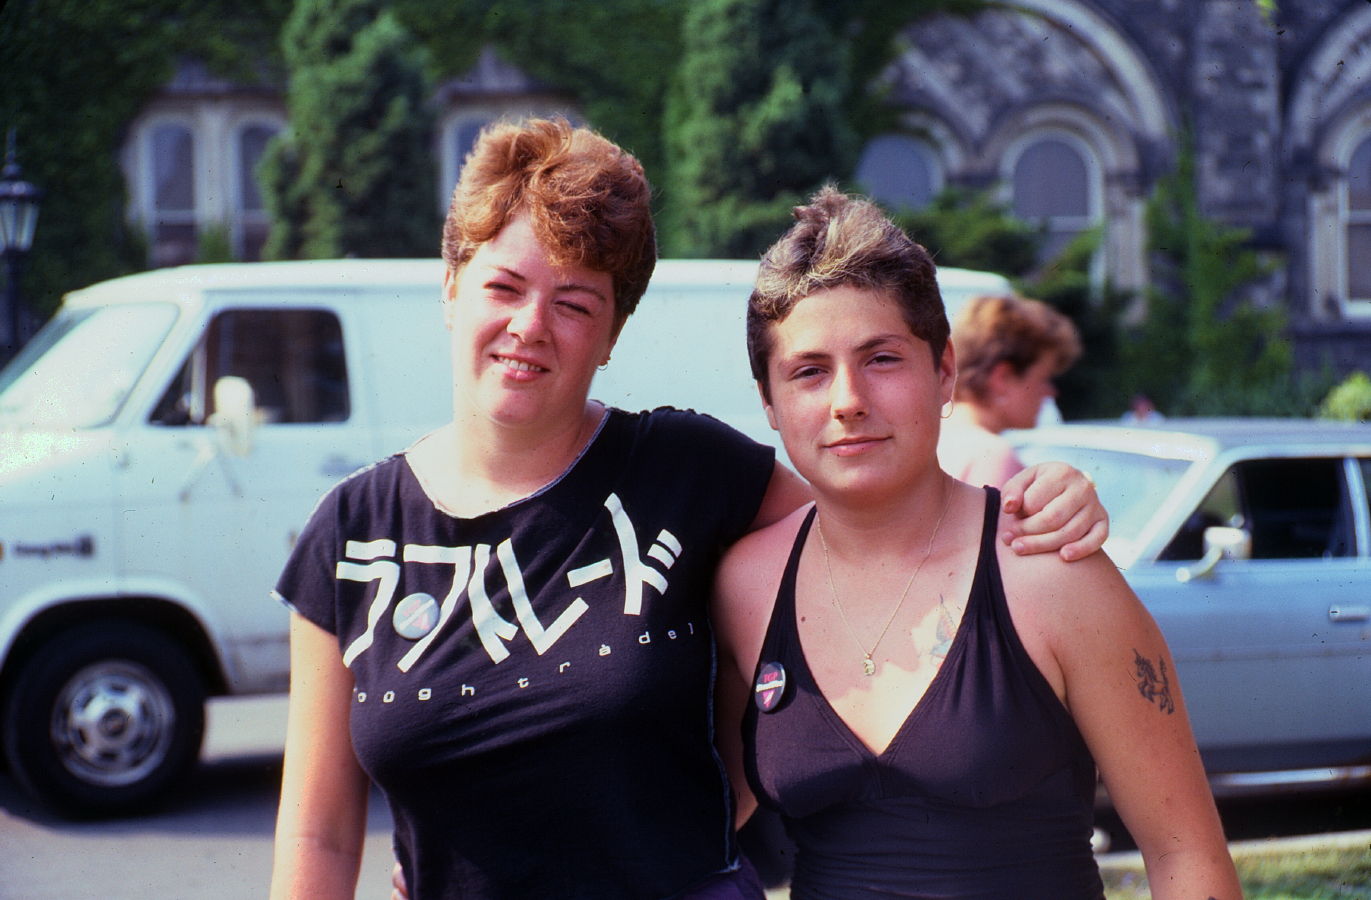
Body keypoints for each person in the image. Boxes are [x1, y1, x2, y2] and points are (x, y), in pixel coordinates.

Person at [268, 119, 1109, 900]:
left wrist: (1030, 497)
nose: (530, 325)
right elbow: (317, 832)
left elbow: (880, 527)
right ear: (451, 290)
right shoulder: (351, 533)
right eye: (504, 286)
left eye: (574, 303)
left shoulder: (689, 471)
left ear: (612, 333)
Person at [712, 187, 1241, 899]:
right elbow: (698, 817)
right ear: (770, 404)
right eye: (808, 371)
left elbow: (1186, 858)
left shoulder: (1050, 572)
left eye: (881, 359)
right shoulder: (745, 586)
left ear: (944, 372)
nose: (846, 400)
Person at [938, 291, 1080, 488]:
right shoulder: (992, 456)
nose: (1050, 392)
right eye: (1044, 378)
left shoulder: (930, 436)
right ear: (1001, 378)